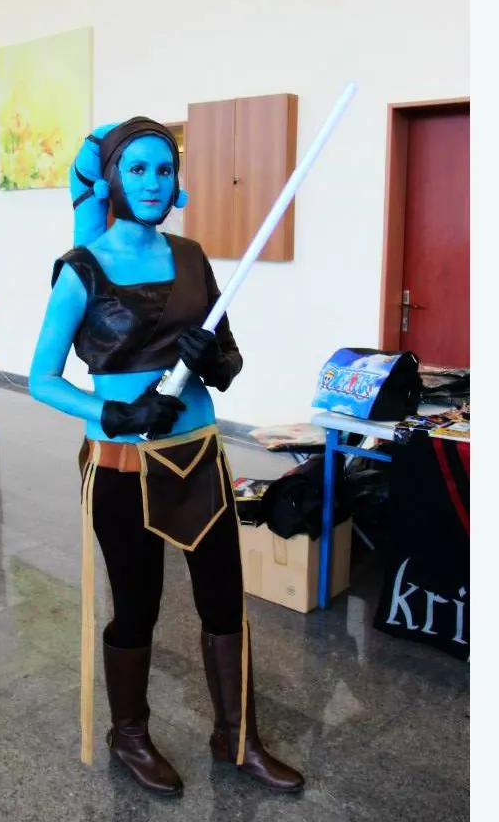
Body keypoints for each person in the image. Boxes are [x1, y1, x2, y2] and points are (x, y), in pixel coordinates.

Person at [29, 117, 304, 797]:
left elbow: (229, 361)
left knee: (224, 604)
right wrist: (116, 414)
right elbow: (42, 378)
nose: (152, 183)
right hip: (122, 469)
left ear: (177, 181)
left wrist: (213, 360)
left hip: (200, 460)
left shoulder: (192, 257)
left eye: (163, 169)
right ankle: (129, 736)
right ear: (112, 180)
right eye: (137, 169)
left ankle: (237, 737)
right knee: (137, 607)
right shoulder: (82, 270)